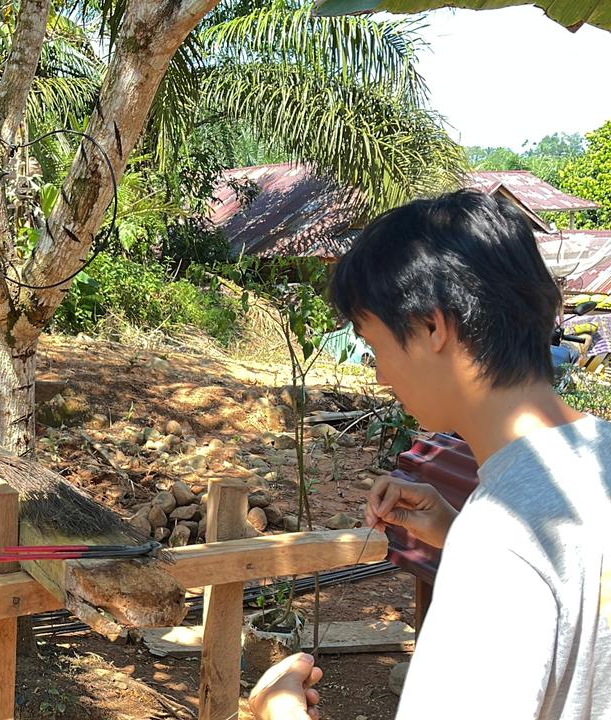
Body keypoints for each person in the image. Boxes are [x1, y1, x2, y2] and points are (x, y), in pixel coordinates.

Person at [249, 189, 611, 720]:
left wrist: (277, 712)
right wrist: (453, 529)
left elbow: (518, 565)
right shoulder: (593, 461)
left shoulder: (499, 545)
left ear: (431, 327)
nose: (378, 373)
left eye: (374, 346)